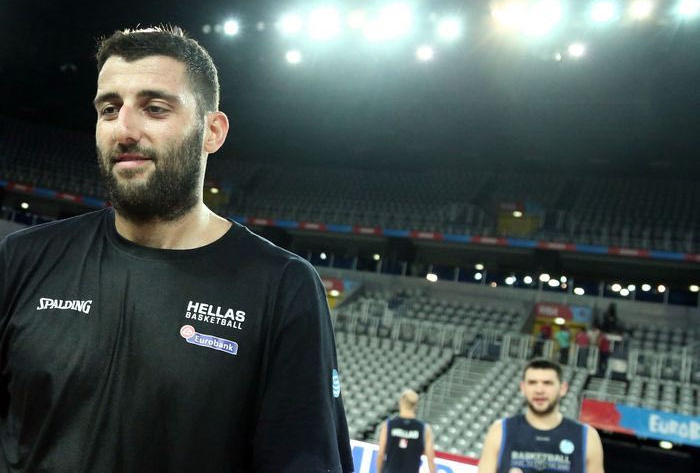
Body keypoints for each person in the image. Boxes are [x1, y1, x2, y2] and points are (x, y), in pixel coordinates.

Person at [0, 26, 353, 472]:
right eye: (109, 109)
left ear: (212, 131)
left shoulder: (282, 286)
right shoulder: (23, 258)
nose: (124, 129)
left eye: (155, 108)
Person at [478, 359, 604, 473]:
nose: (539, 390)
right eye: (532, 382)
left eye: (547, 383)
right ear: (523, 387)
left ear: (563, 388)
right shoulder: (500, 430)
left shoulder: (587, 436)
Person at [377, 389, 436, 473]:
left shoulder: (388, 425)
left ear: (401, 402)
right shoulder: (425, 428)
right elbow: (431, 459)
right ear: (416, 405)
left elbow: (380, 454)